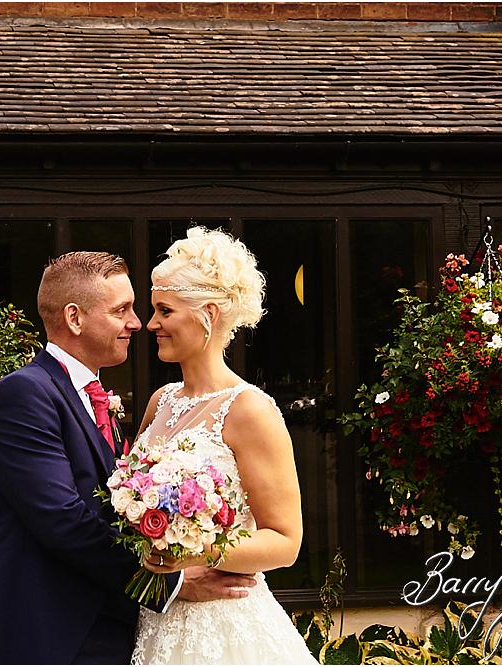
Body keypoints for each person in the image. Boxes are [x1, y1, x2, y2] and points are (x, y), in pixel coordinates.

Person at [0, 251, 258, 665]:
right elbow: (64, 521)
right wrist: (169, 583)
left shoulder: (94, 398)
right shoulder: (24, 395)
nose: (137, 323)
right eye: (121, 310)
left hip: (111, 633)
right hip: (52, 640)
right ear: (74, 318)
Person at [131, 228, 318, 664]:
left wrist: (194, 551)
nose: (151, 323)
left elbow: (285, 541)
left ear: (209, 314)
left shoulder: (250, 410)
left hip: (224, 624)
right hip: (157, 617)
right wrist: (162, 572)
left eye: (164, 310)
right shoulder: (161, 402)